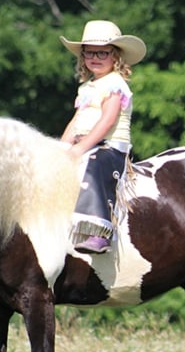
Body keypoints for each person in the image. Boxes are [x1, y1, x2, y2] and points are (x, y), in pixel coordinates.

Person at [59, 20, 146, 254]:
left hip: (108, 146)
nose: (95, 57)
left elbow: (107, 120)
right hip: (86, 143)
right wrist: (61, 148)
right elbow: (76, 121)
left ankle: (100, 232)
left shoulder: (115, 84)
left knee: (95, 166)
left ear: (115, 56)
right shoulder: (87, 87)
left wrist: (80, 149)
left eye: (102, 53)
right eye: (89, 52)